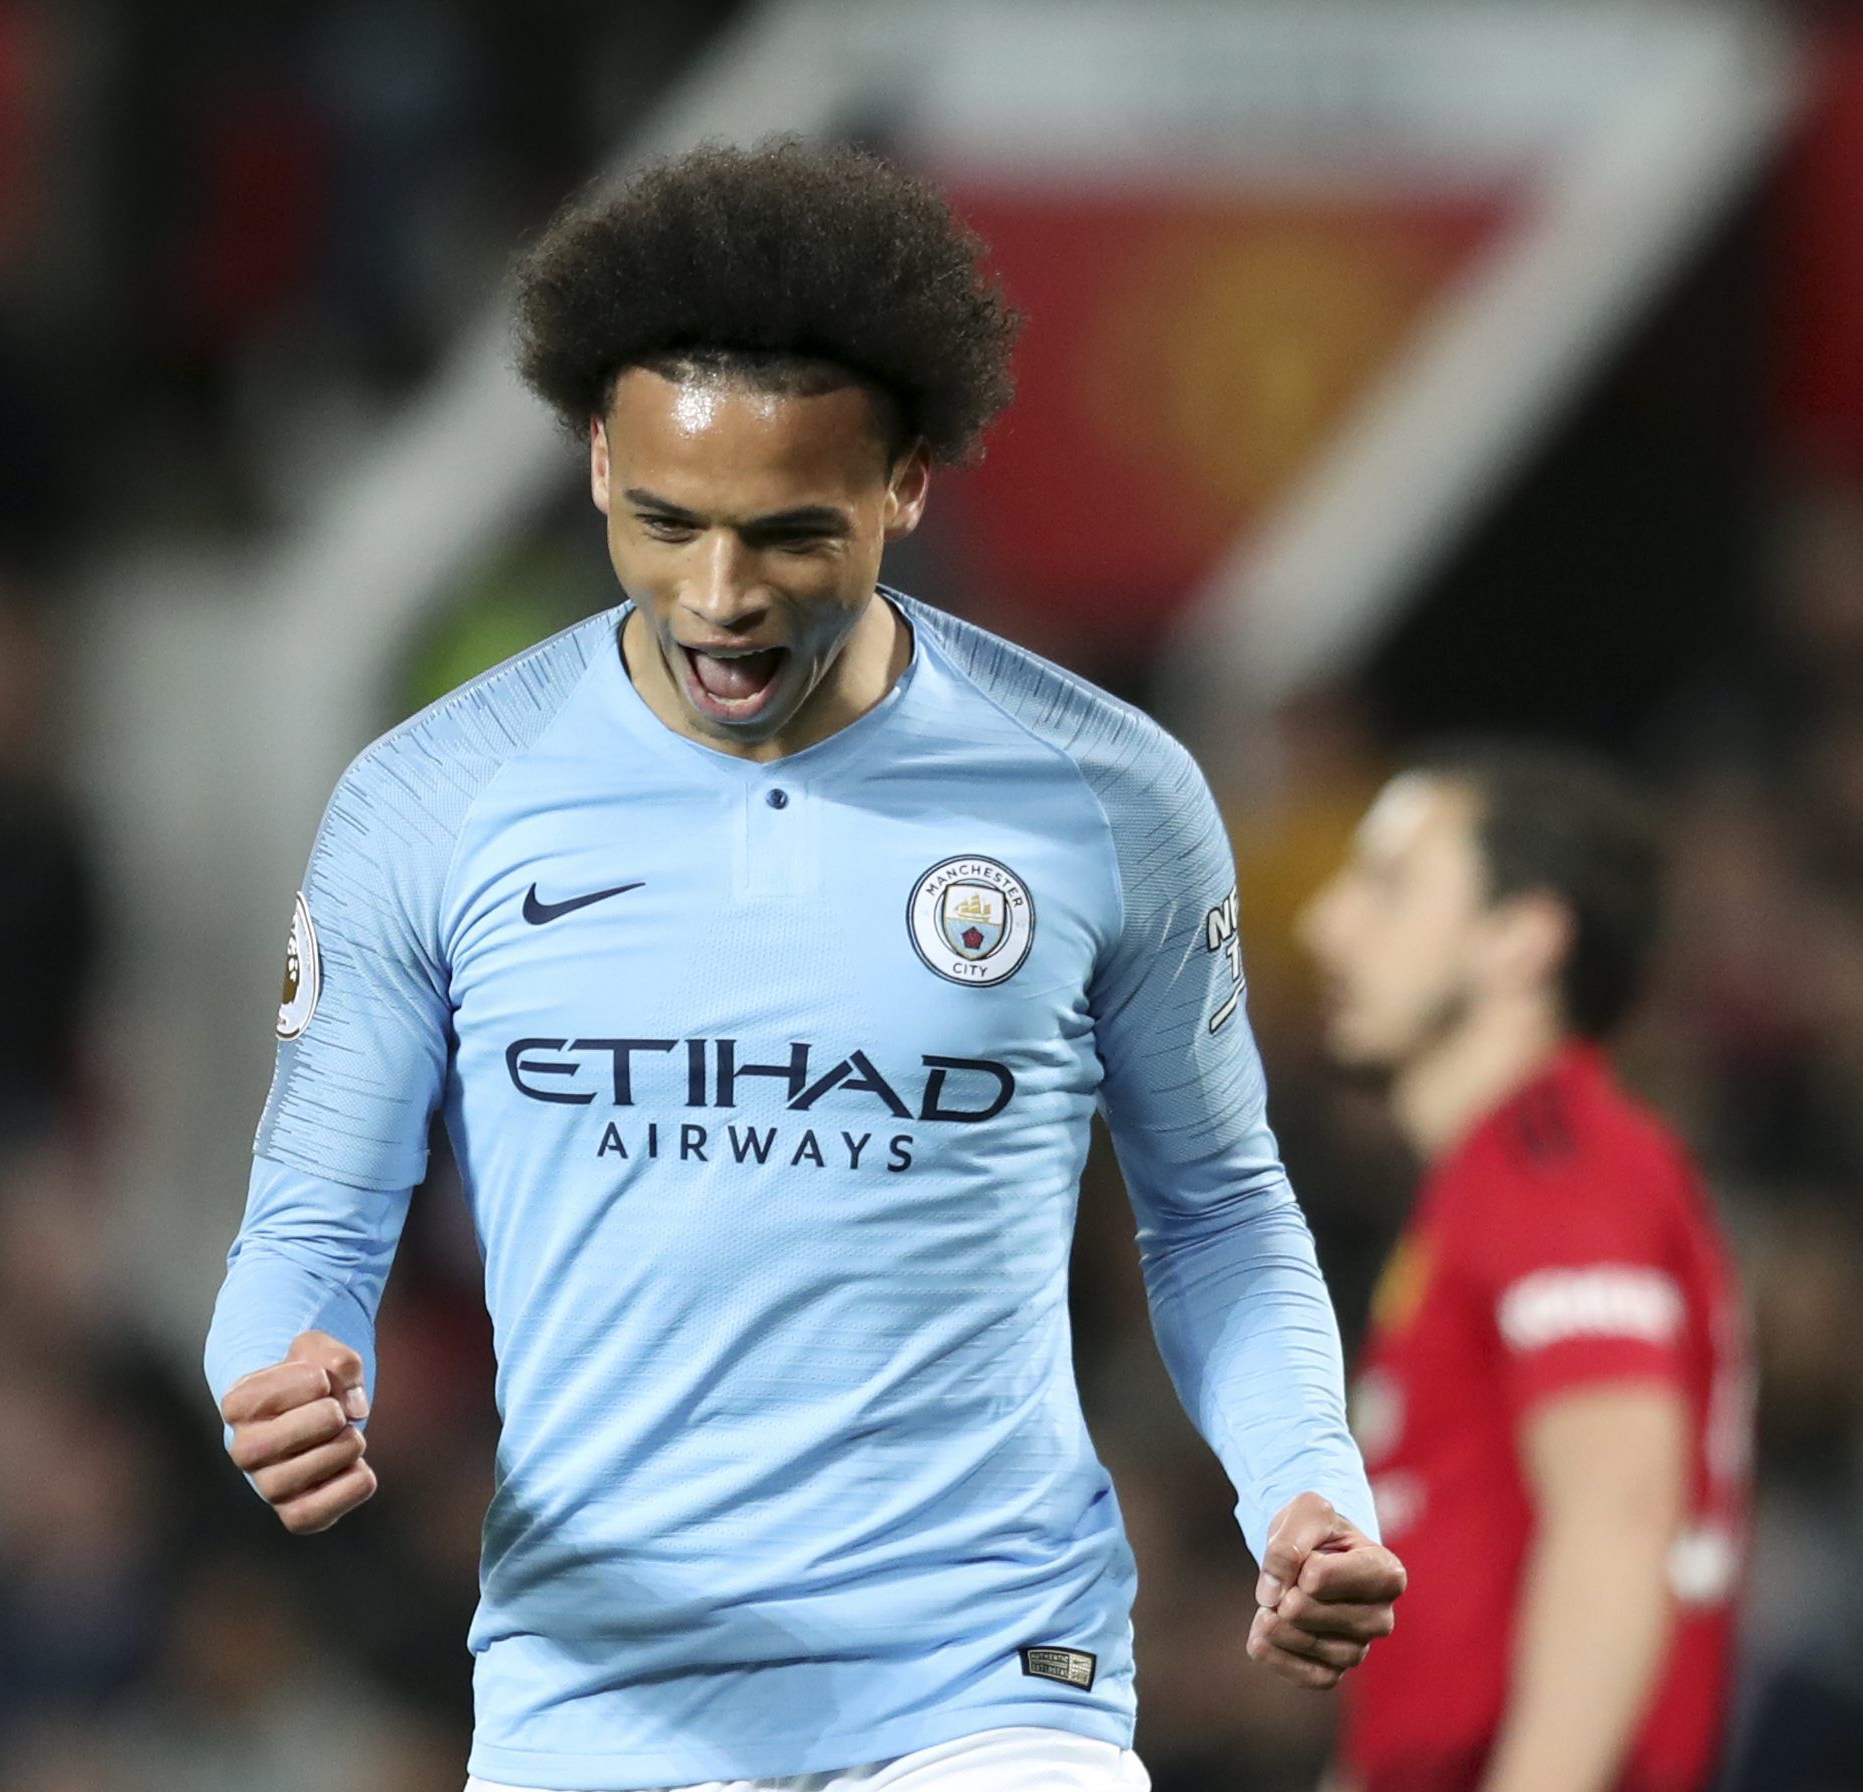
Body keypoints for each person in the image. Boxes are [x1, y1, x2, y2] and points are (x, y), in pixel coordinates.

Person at [205, 139, 1403, 1792]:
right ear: (593, 459)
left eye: (787, 533)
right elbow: (309, 1231)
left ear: (904, 481)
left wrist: (1302, 1481)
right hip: (598, 1697)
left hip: (988, 1676)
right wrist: (274, 1372)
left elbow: (1213, 1213)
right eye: (665, 522)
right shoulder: (432, 797)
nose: (719, 597)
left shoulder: (1102, 795)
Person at [1299, 746, 1749, 1792]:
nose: (1327, 923)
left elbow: (1616, 1516)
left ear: (1521, 938)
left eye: (1389, 887)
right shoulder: (1498, 1182)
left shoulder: (1552, 1165)